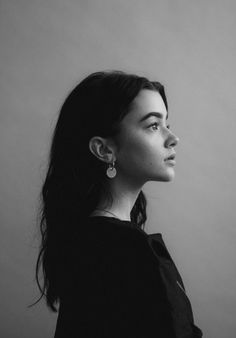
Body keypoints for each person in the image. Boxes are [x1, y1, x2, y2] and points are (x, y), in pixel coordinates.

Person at [31, 70, 203, 337]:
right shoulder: (127, 251)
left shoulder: (87, 240)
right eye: (153, 126)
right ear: (104, 150)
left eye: (166, 123)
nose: (173, 138)